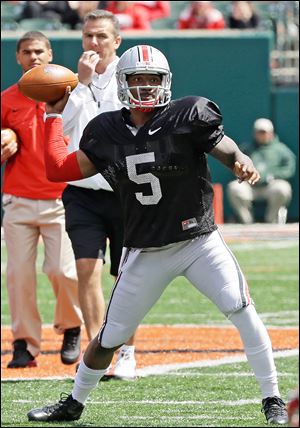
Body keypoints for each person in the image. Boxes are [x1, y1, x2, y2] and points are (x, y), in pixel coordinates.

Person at [27, 45, 288, 425]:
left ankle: (273, 399)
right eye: (138, 79)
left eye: (153, 79)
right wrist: (53, 116)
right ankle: (74, 402)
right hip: (145, 249)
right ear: (124, 83)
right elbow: (57, 170)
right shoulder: (105, 130)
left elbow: (222, 145)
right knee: (110, 336)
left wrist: (238, 160)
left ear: (166, 83)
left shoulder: (188, 114)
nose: (147, 87)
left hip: (199, 242)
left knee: (243, 311)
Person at [61, 9, 137, 380]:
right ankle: (97, 350)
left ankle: (127, 351)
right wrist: (81, 84)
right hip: (82, 191)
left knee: (128, 275)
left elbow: (109, 128)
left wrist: (87, 85)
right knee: (85, 270)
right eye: (89, 35)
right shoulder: (70, 79)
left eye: (102, 36)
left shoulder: (131, 76)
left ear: (117, 41)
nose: (94, 43)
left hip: (124, 190)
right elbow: (67, 126)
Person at [1, 31, 83, 369]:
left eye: (39, 50)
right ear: (17, 58)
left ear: (50, 54)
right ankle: (24, 342)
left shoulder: (72, 94)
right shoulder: (7, 100)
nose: (33, 56)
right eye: (26, 52)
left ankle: (72, 326)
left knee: (62, 271)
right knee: (19, 273)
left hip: (62, 198)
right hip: (18, 198)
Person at [227, 118, 296, 224]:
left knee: (283, 188)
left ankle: (271, 221)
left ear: (271, 133)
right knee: (234, 187)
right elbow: (235, 165)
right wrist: (243, 174)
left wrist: (272, 175)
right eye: (259, 132)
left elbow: (289, 169)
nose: (262, 135)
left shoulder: (281, 150)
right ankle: (247, 222)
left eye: (264, 132)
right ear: (255, 133)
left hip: (270, 186)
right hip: (250, 186)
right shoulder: (246, 149)